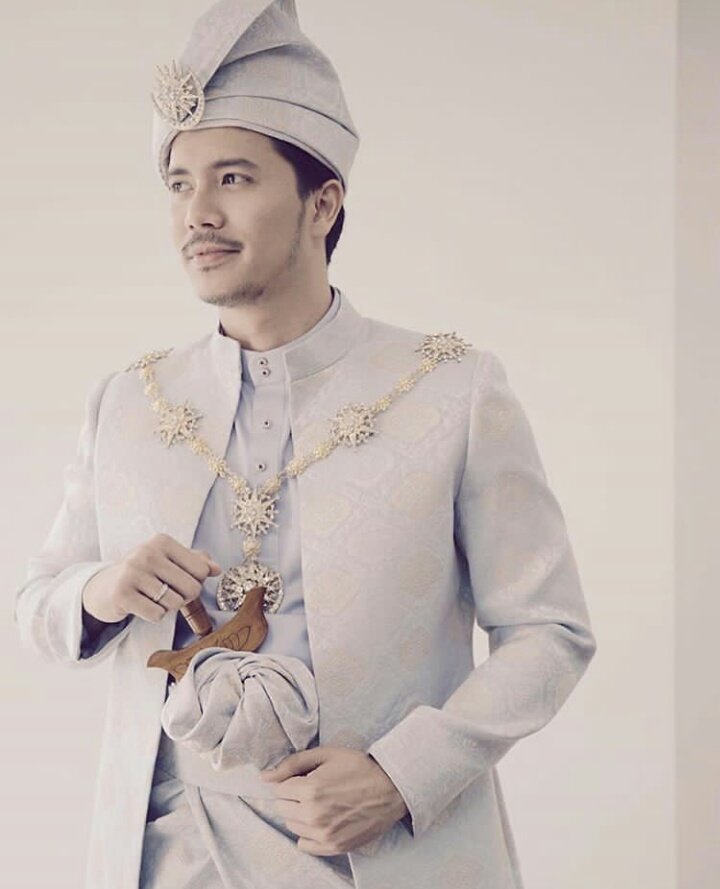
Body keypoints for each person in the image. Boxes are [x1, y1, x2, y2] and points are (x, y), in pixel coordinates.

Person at [13, 1, 598, 888]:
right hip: (163, 857)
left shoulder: (453, 390)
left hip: (385, 856)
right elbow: (38, 603)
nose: (198, 214)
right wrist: (102, 587)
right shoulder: (130, 401)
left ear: (322, 203)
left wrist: (403, 776)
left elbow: (549, 632)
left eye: (234, 178)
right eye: (180, 184)